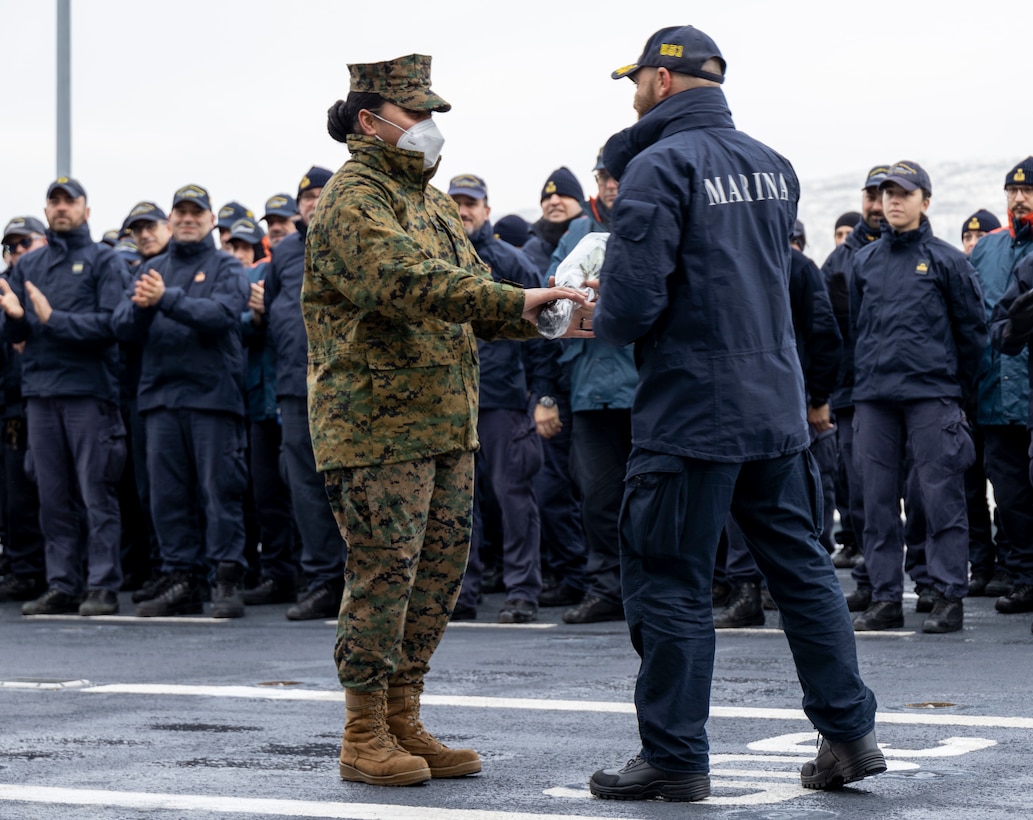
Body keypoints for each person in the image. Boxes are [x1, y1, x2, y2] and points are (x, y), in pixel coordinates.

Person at [586, 25, 883, 802]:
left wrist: (592, 309)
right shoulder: (769, 163)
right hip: (773, 406)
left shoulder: (657, 164)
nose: (633, 93)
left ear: (661, 80)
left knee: (669, 578)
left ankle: (675, 756)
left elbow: (629, 307)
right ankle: (849, 735)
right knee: (803, 571)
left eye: (636, 80)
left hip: (689, 412)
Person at [308, 53, 591, 788]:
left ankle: (405, 717)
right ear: (372, 121)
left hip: (444, 422)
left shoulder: (430, 204)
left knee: (435, 578)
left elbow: (467, 296)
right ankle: (363, 732)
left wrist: (549, 318)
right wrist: (514, 302)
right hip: (373, 427)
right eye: (418, 114)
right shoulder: (352, 200)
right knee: (383, 575)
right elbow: (406, 283)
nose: (431, 128)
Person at [850, 162, 987, 634]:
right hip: (874, 396)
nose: (893, 200)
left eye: (904, 193)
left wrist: (960, 393)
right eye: (888, 192)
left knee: (941, 498)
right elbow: (855, 329)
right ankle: (886, 597)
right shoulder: (863, 262)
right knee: (876, 502)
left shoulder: (948, 259)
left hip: (932, 394)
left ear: (924, 201)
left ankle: (949, 595)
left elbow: (972, 333)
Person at [112, 184, 251, 619]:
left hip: (212, 399)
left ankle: (226, 581)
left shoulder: (226, 265)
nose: (188, 219)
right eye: (181, 212)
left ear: (211, 221)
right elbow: (121, 326)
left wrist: (164, 299)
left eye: (197, 212)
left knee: (219, 492)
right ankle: (181, 580)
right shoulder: (151, 269)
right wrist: (141, 306)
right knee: (167, 497)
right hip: (160, 400)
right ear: (170, 221)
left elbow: (222, 315)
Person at [0, 178, 127, 617]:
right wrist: (17, 319)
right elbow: (14, 331)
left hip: (89, 393)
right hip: (39, 394)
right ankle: (62, 584)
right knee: (53, 497)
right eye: (53, 201)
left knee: (96, 492)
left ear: (86, 211)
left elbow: (112, 325)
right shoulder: (28, 265)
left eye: (68, 201)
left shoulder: (104, 260)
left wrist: (53, 320)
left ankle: (103, 584)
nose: (60, 208)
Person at [539, 149, 631, 624]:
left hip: (651, 384)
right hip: (592, 387)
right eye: (604, 176)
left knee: (663, 495)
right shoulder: (579, 233)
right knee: (597, 496)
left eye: (618, 174)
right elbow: (550, 291)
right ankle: (606, 588)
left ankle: (672, 586)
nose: (611, 183)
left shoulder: (657, 219)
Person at [447, 173, 544, 624]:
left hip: (502, 399)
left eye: (472, 203)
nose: (463, 210)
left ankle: (523, 591)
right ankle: (461, 594)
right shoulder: (434, 259)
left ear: (487, 209)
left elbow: (546, 328)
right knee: (457, 503)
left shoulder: (511, 260)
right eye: (456, 202)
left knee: (513, 497)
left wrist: (543, 395)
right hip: (448, 401)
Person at [263, 166, 348, 619]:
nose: (314, 201)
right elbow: (276, 312)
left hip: (348, 386)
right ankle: (323, 581)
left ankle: (364, 582)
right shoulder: (283, 254)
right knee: (306, 488)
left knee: (353, 486)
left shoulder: (354, 237)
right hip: (297, 390)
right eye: (307, 197)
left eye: (322, 193)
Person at [972, 158, 1033, 611]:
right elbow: (975, 319)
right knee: (1009, 494)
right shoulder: (986, 249)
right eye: (1012, 191)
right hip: (995, 392)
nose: (1019, 198)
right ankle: (1026, 576)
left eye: (1028, 190)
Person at [821, 166, 888, 580]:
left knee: (919, 495)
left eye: (887, 196)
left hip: (907, 393)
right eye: (871, 196)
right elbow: (822, 331)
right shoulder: (838, 261)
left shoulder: (926, 257)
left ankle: (927, 578)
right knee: (861, 490)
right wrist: (822, 394)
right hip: (850, 395)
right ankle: (870, 576)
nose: (878, 205)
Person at [228, 217, 299, 605]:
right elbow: (237, 324)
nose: (276, 230)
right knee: (268, 494)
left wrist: (267, 310)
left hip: (295, 394)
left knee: (303, 491)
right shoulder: (256, 272)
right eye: (270, 225)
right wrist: (256, 314)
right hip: (261, 399)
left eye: (283, 223)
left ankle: (315, 572)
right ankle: (278, 574)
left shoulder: (309, 262)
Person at [0, 217, 48, 604]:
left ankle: (55, 570)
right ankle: (24, 569)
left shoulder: (53, 280)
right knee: (16, 495)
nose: (16, 252)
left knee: (57, 492)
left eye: (23, 243)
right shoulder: (4, 287)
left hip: (54, 397)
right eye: (9, 246)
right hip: (14, 405)